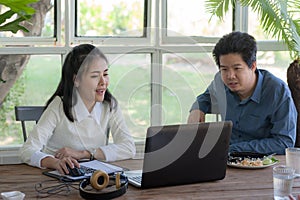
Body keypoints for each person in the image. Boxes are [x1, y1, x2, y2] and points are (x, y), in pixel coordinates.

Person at [20, 44, 136, 175]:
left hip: (93, 179)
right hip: (58, 179)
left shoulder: (109, 105)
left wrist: (84, 154)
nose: (103, 82)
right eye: (95, 76)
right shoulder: (59, 105)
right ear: (76, 80)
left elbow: (129, 148)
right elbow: (27, 150)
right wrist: (55, 162)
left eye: (105, 74)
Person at [187, 31, 297, 155]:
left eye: (237, 68)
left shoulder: (278, 92)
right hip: (225, 161)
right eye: (224, 69)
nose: (230, 76)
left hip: (263, 163)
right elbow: (206, 98)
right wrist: (197, 108)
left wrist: (234, 149)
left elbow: (284, 143)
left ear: (253, 66)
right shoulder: (220, 82)